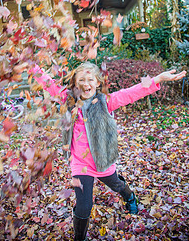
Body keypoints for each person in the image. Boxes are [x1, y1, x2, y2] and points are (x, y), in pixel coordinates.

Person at [29, 62, 186, 241]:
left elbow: (132, 92)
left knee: (117, 185)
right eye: (81, 80)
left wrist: (157, 79)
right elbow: (48, 83)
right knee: (83, 206)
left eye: (90, 80)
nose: (85, 84)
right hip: (81, 165)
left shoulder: (106, 101)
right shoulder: (68, 99)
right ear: (74, 83)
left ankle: (130, 196)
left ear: (97, 83)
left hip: (102, 161)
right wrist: (31, 66)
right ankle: (79, 238)